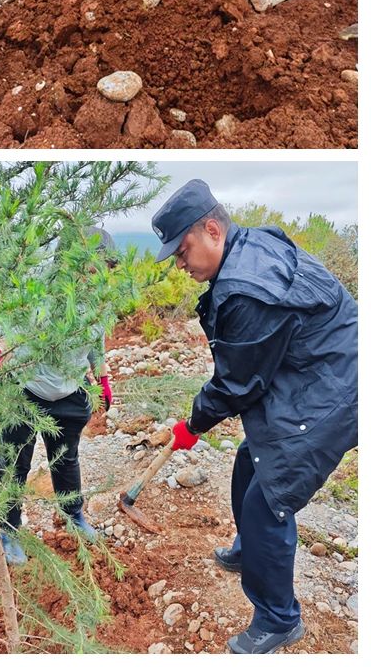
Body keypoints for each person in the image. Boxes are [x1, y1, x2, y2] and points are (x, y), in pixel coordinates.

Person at [151, 180, 356, 655]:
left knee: (271, 499)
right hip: (311, 370)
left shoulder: (247, 289)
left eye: (182, 252)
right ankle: (250, 549)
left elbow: (236, 385)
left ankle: (279, 618)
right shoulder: (249, 244)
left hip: (336, 391)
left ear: (212, 230)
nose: (181, 266)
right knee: (250, 460)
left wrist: (192, 426)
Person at [0, 228, 118, 564]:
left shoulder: (99, 300)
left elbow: (96, 343)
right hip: (26, 388)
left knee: (66, 458)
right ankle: (7, 529)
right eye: (90, 267)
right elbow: (11, 334)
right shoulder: (41, 294)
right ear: (67, 262)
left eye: (104, 269)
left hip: (69, 390)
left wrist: (102, 378)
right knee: (14, 463)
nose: (97, 276)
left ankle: (73, 516)